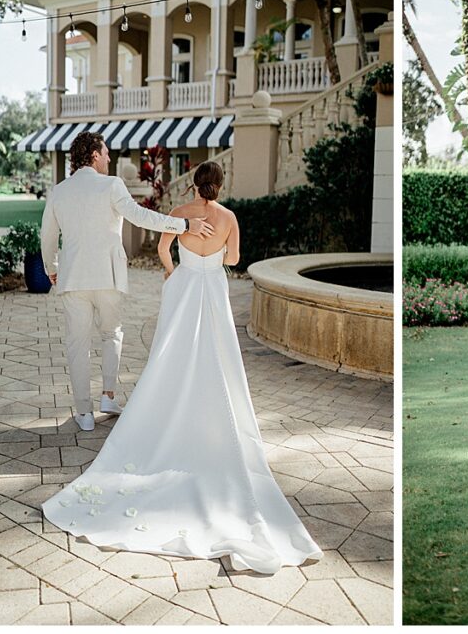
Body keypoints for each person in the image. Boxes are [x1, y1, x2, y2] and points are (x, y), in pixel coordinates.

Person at [42, 160, 323, 571]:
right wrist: (217, 253)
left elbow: (161, 250)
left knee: (172, 353)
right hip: (213, 288)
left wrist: (175, 270)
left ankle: (166, 408)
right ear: (220, 185)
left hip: (185, 285)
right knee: (217, 353)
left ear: (193, 184)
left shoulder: (177, 215)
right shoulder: (228, 217)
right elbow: (235, 257)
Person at [41, 131, 214, 432]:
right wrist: (185, 225)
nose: (109, 158)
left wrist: (51, 267)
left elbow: (46, 236)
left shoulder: (59, 191)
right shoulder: (111, 186)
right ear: (94, 154)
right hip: (107, 276)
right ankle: (108, 396)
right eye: (106, 153)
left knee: (77, 345)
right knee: (112, 334)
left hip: (73, 278)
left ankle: (84, 412)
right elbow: (141, 217)